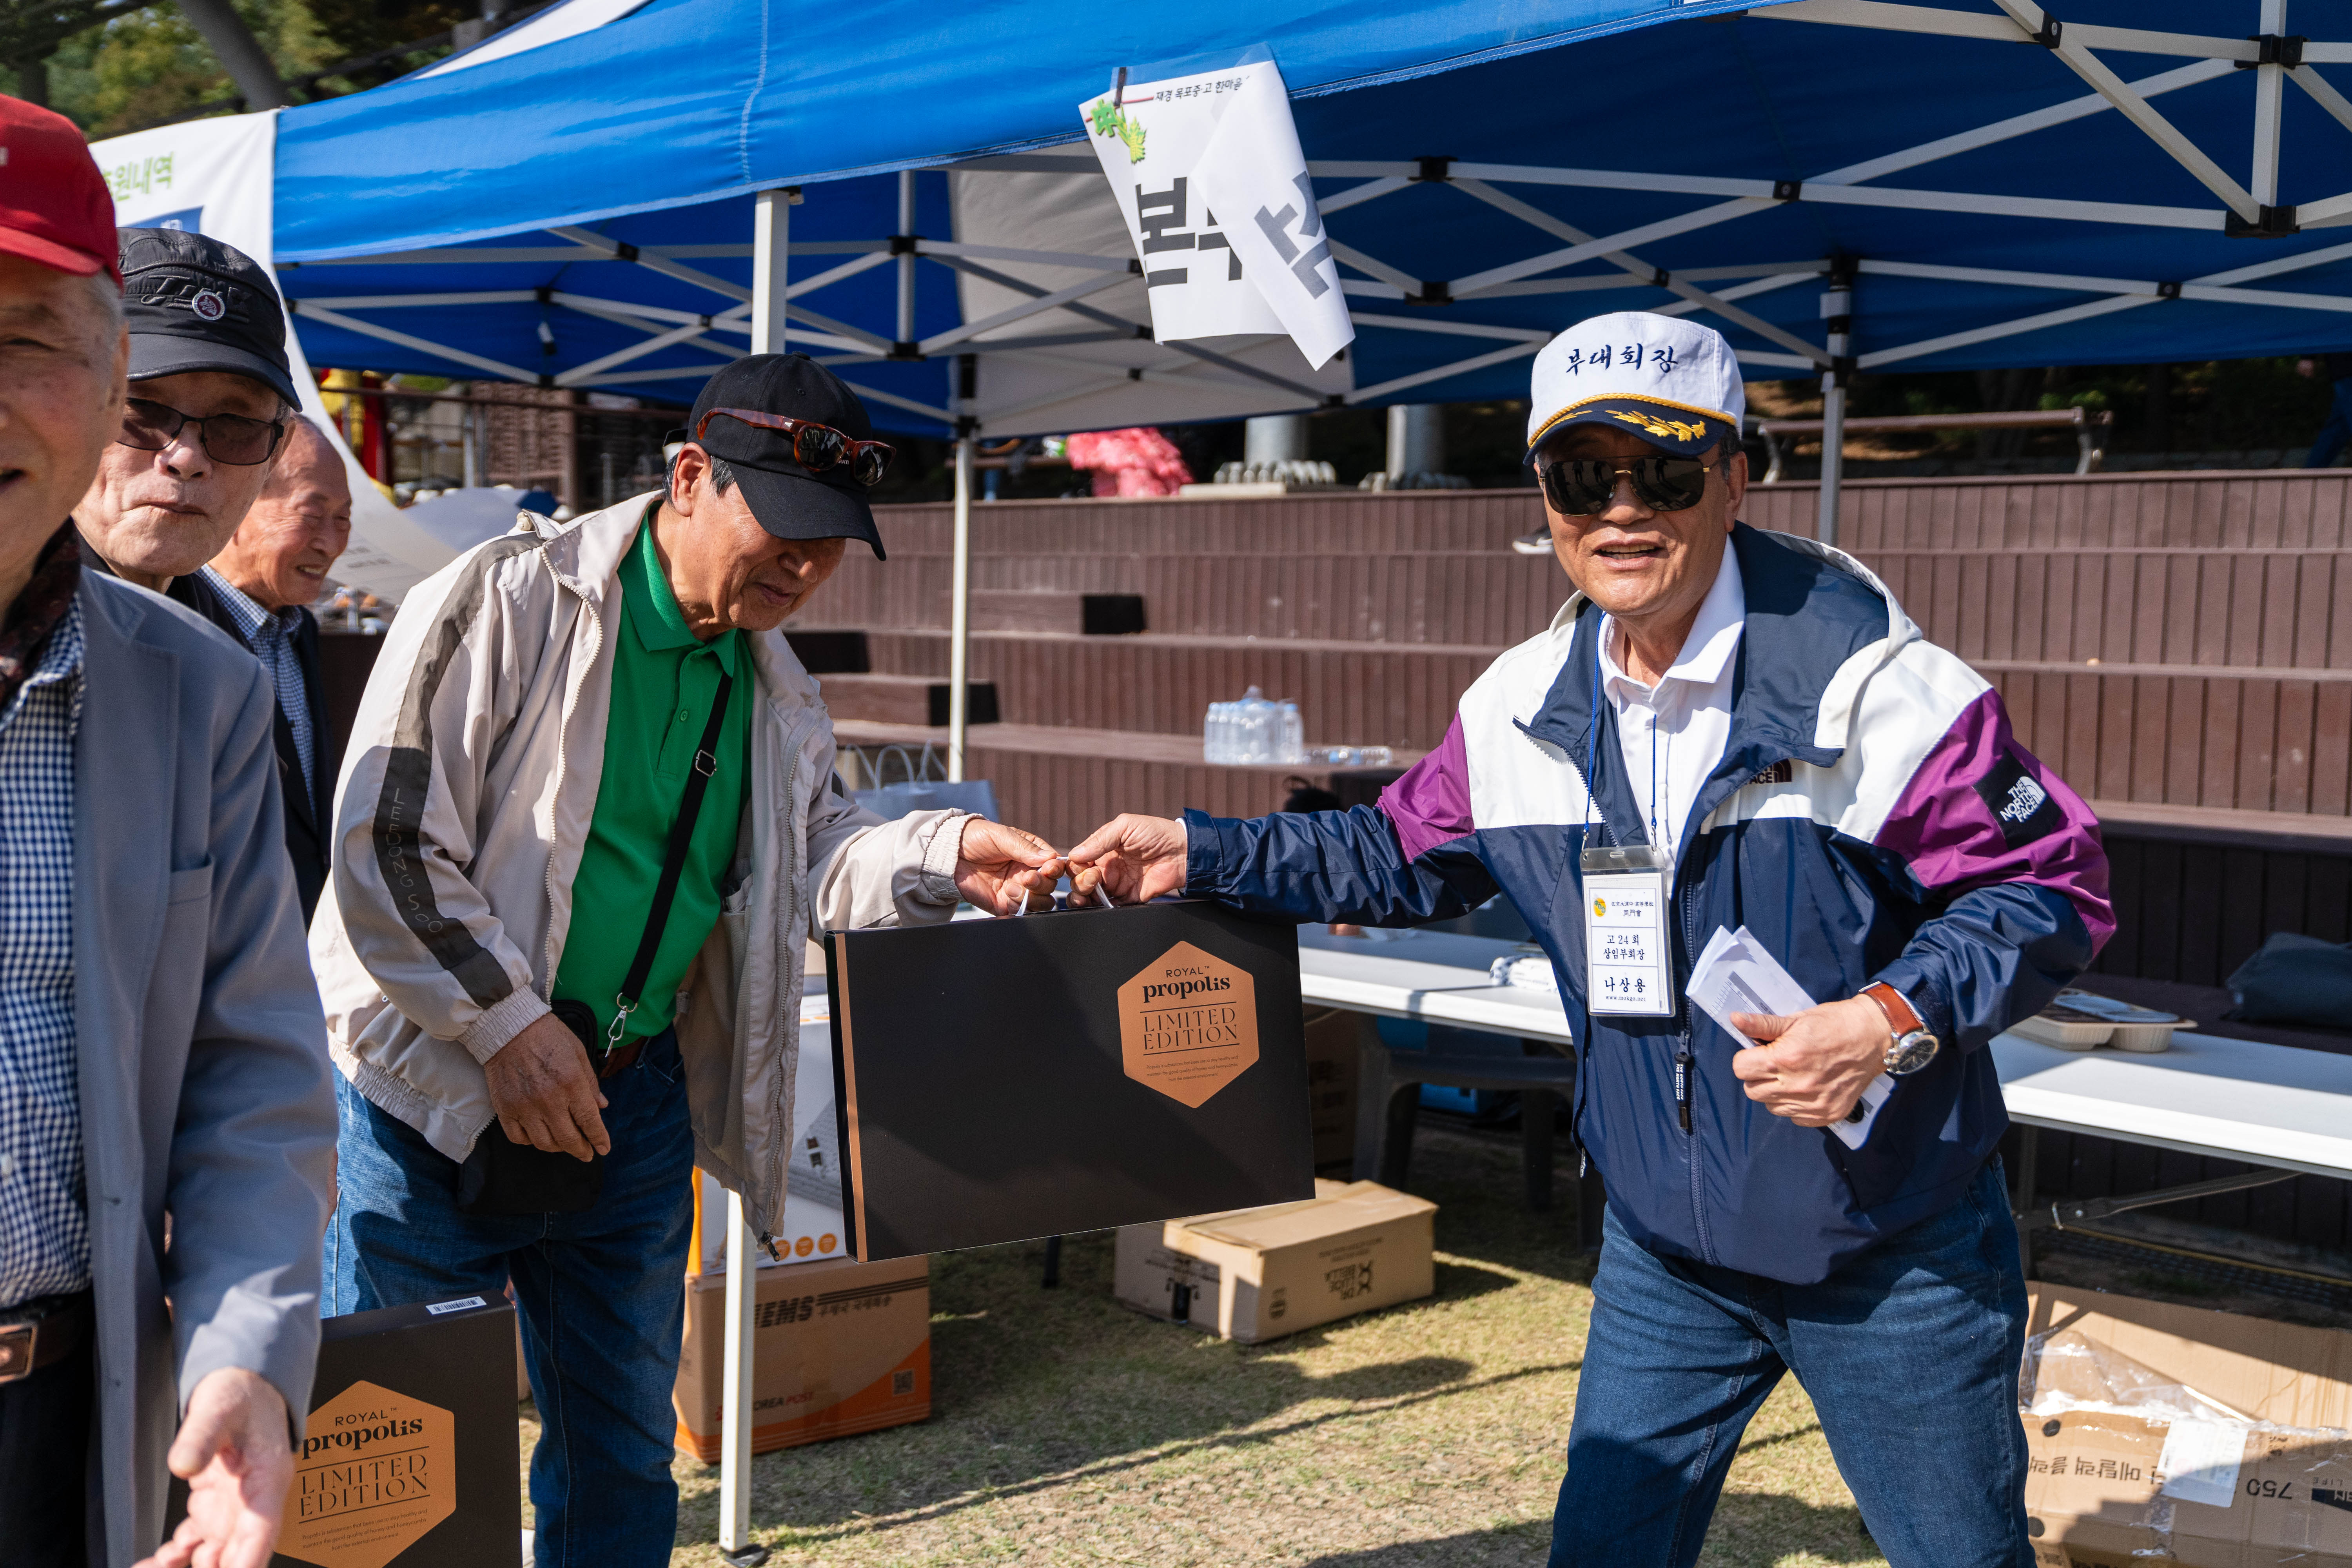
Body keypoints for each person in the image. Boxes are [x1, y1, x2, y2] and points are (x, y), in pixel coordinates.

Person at [1071, 313, 2111, 1568]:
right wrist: (1200, 850)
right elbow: (1397, 852)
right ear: (1543, 494)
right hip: (1663, 1246)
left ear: (1733, 478)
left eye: (1664, 472)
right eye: (1582, 476)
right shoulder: (1514, 703)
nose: (1622, 511)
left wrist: (1884, 1023)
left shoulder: (1877, 688)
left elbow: (2052, 886)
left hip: (1885, 1240)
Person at [311, 353, 1067, 1565]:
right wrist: (507, 1026)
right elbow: (387, 841)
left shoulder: (771, 681)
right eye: (786, 527)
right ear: (689, 476)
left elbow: (807, 851)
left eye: (830, 544)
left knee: (621, 1443)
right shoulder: (504, 598)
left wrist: (945, 847)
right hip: (433, 1096)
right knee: (404, 1453)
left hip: (633, 1097)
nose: (805, 565)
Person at [0, 98, 336, 1568]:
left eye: (25, 337)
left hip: (76, 1416)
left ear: (102, 364)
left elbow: (251, 1070)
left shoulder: (196, 687)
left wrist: (245, 1349)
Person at [74, 227, 305, 621]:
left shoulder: (232, 659)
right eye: (142, 408)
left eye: (234, 424)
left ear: (277, 454)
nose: (186, 456)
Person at [195, 416, 354, 919]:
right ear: (238, 505)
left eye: (344, 520)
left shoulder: (299, 631)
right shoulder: (175, 627)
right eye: (312, 515)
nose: (331, 543)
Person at [2300, 352, 2352, 468]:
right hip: (2345, 362)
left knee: (2338, 428)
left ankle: (2310, 475)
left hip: (2344, 364)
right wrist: (2307, 355)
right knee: (2338, 428)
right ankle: (2310, 475)